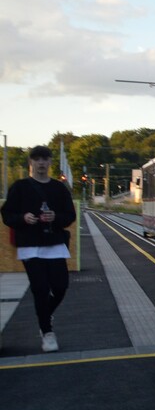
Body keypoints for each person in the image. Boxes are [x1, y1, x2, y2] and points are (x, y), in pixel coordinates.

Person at [2, 145, 77, 352]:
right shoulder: (20, 187)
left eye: (45, 159)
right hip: (30, 246)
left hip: (54, 244)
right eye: (37, 159)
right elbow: (7, 215)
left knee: (61, 287)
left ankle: (45, 314)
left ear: (50, 162)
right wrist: (23, 218)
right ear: (31, 163)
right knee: (41, 290)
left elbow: (70, 215)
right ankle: (47, 332)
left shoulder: (59, 188)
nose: (41, 163)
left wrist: (57, 217)